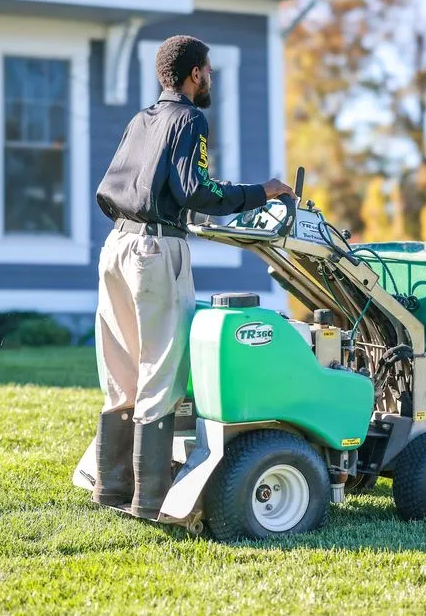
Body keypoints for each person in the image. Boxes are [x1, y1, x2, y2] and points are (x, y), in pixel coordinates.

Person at [91, 35, 296, 519]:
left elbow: (116, 186)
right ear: (195, 74)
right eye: (209, 69)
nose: (211, 78)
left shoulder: (141, 120)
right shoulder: (191, 119)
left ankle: (111, 488)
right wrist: (261, 192)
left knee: (120, 373)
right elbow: (194, 189)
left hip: (116, 246)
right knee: (162, 371)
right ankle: (149, 499)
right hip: (156, 249)